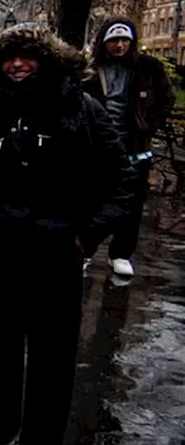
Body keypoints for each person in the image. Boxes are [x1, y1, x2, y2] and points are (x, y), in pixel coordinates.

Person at [0, 25, 135, 445]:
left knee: (51, 352)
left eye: (26, 56)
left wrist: (86, 235)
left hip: (55, 249)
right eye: (8, 57)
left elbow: (122, 180)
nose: (17, 65)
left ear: (47, 59)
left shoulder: (81, 109)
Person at [84, 17, 172, 277]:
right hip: (97, 145)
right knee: (91, 199)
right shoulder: (90, 68)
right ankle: (85, 249)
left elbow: (165, 99)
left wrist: (149, 125)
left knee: (132, 202)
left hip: (135, 145)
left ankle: (121, 253)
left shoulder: (149, 68)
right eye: (114, 41)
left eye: (124, 40)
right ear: (105, 42)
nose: (119, 46)